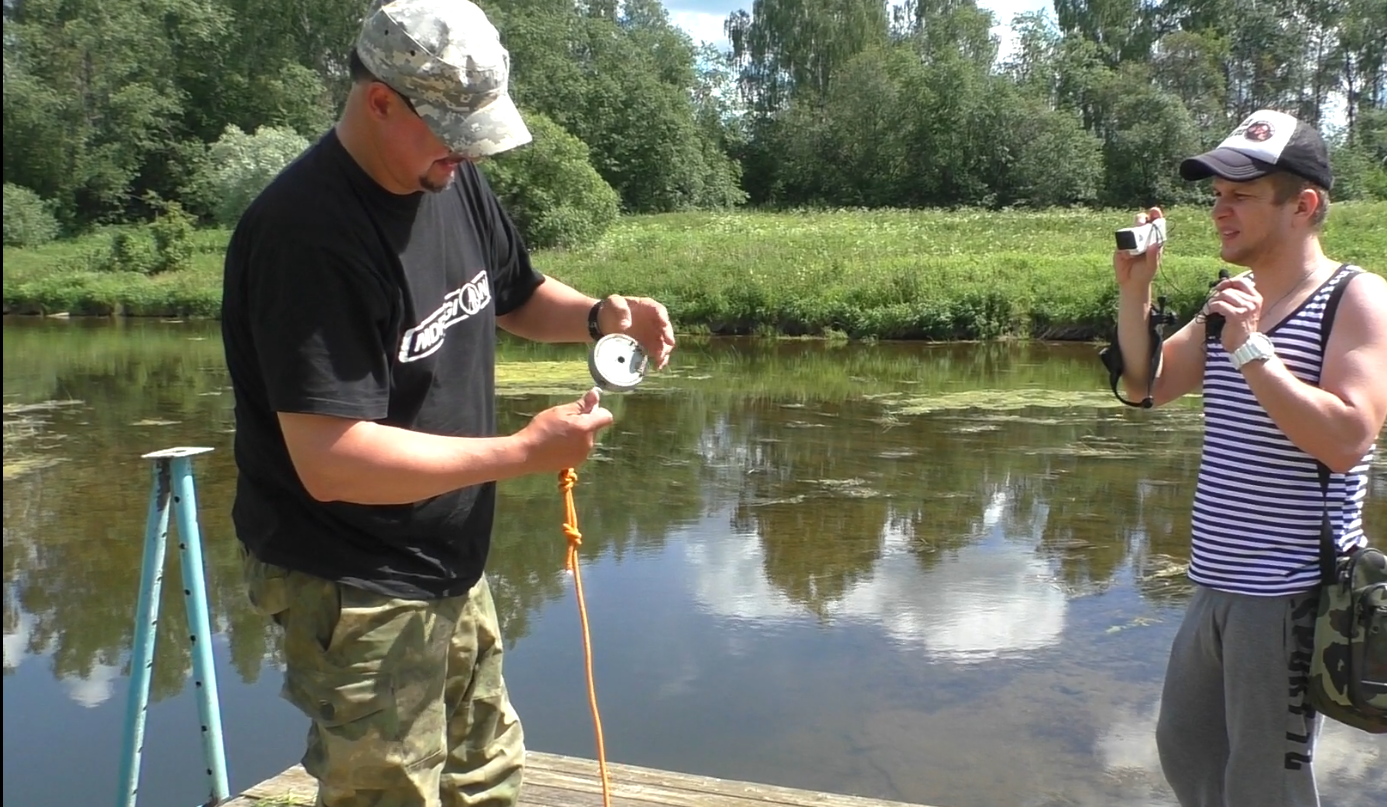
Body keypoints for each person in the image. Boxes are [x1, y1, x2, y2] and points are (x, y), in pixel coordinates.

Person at [218, 0, 676, 804]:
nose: (466, 153)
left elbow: (516, 294)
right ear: (380, 101)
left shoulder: (445, 178)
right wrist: (521, 455)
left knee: (487, 773)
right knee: (387, 793)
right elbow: (331, 462)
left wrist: (600, 316)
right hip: (350, 579)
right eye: (450, 131)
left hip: (449, 563)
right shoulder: (306, 236)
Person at [1109, 109, 1387, 806]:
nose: (1218, 211)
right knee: (1188, 754)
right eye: (1215, 195)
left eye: (1239, 194)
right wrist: (1135, 287)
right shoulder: (1233, 304)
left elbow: (1347, 436)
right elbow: (1144, 385)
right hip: (1214, 581)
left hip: (1289, 594)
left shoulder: (1355, 299)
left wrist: (1251, 350)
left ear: (1303, 205)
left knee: (1266, 786)